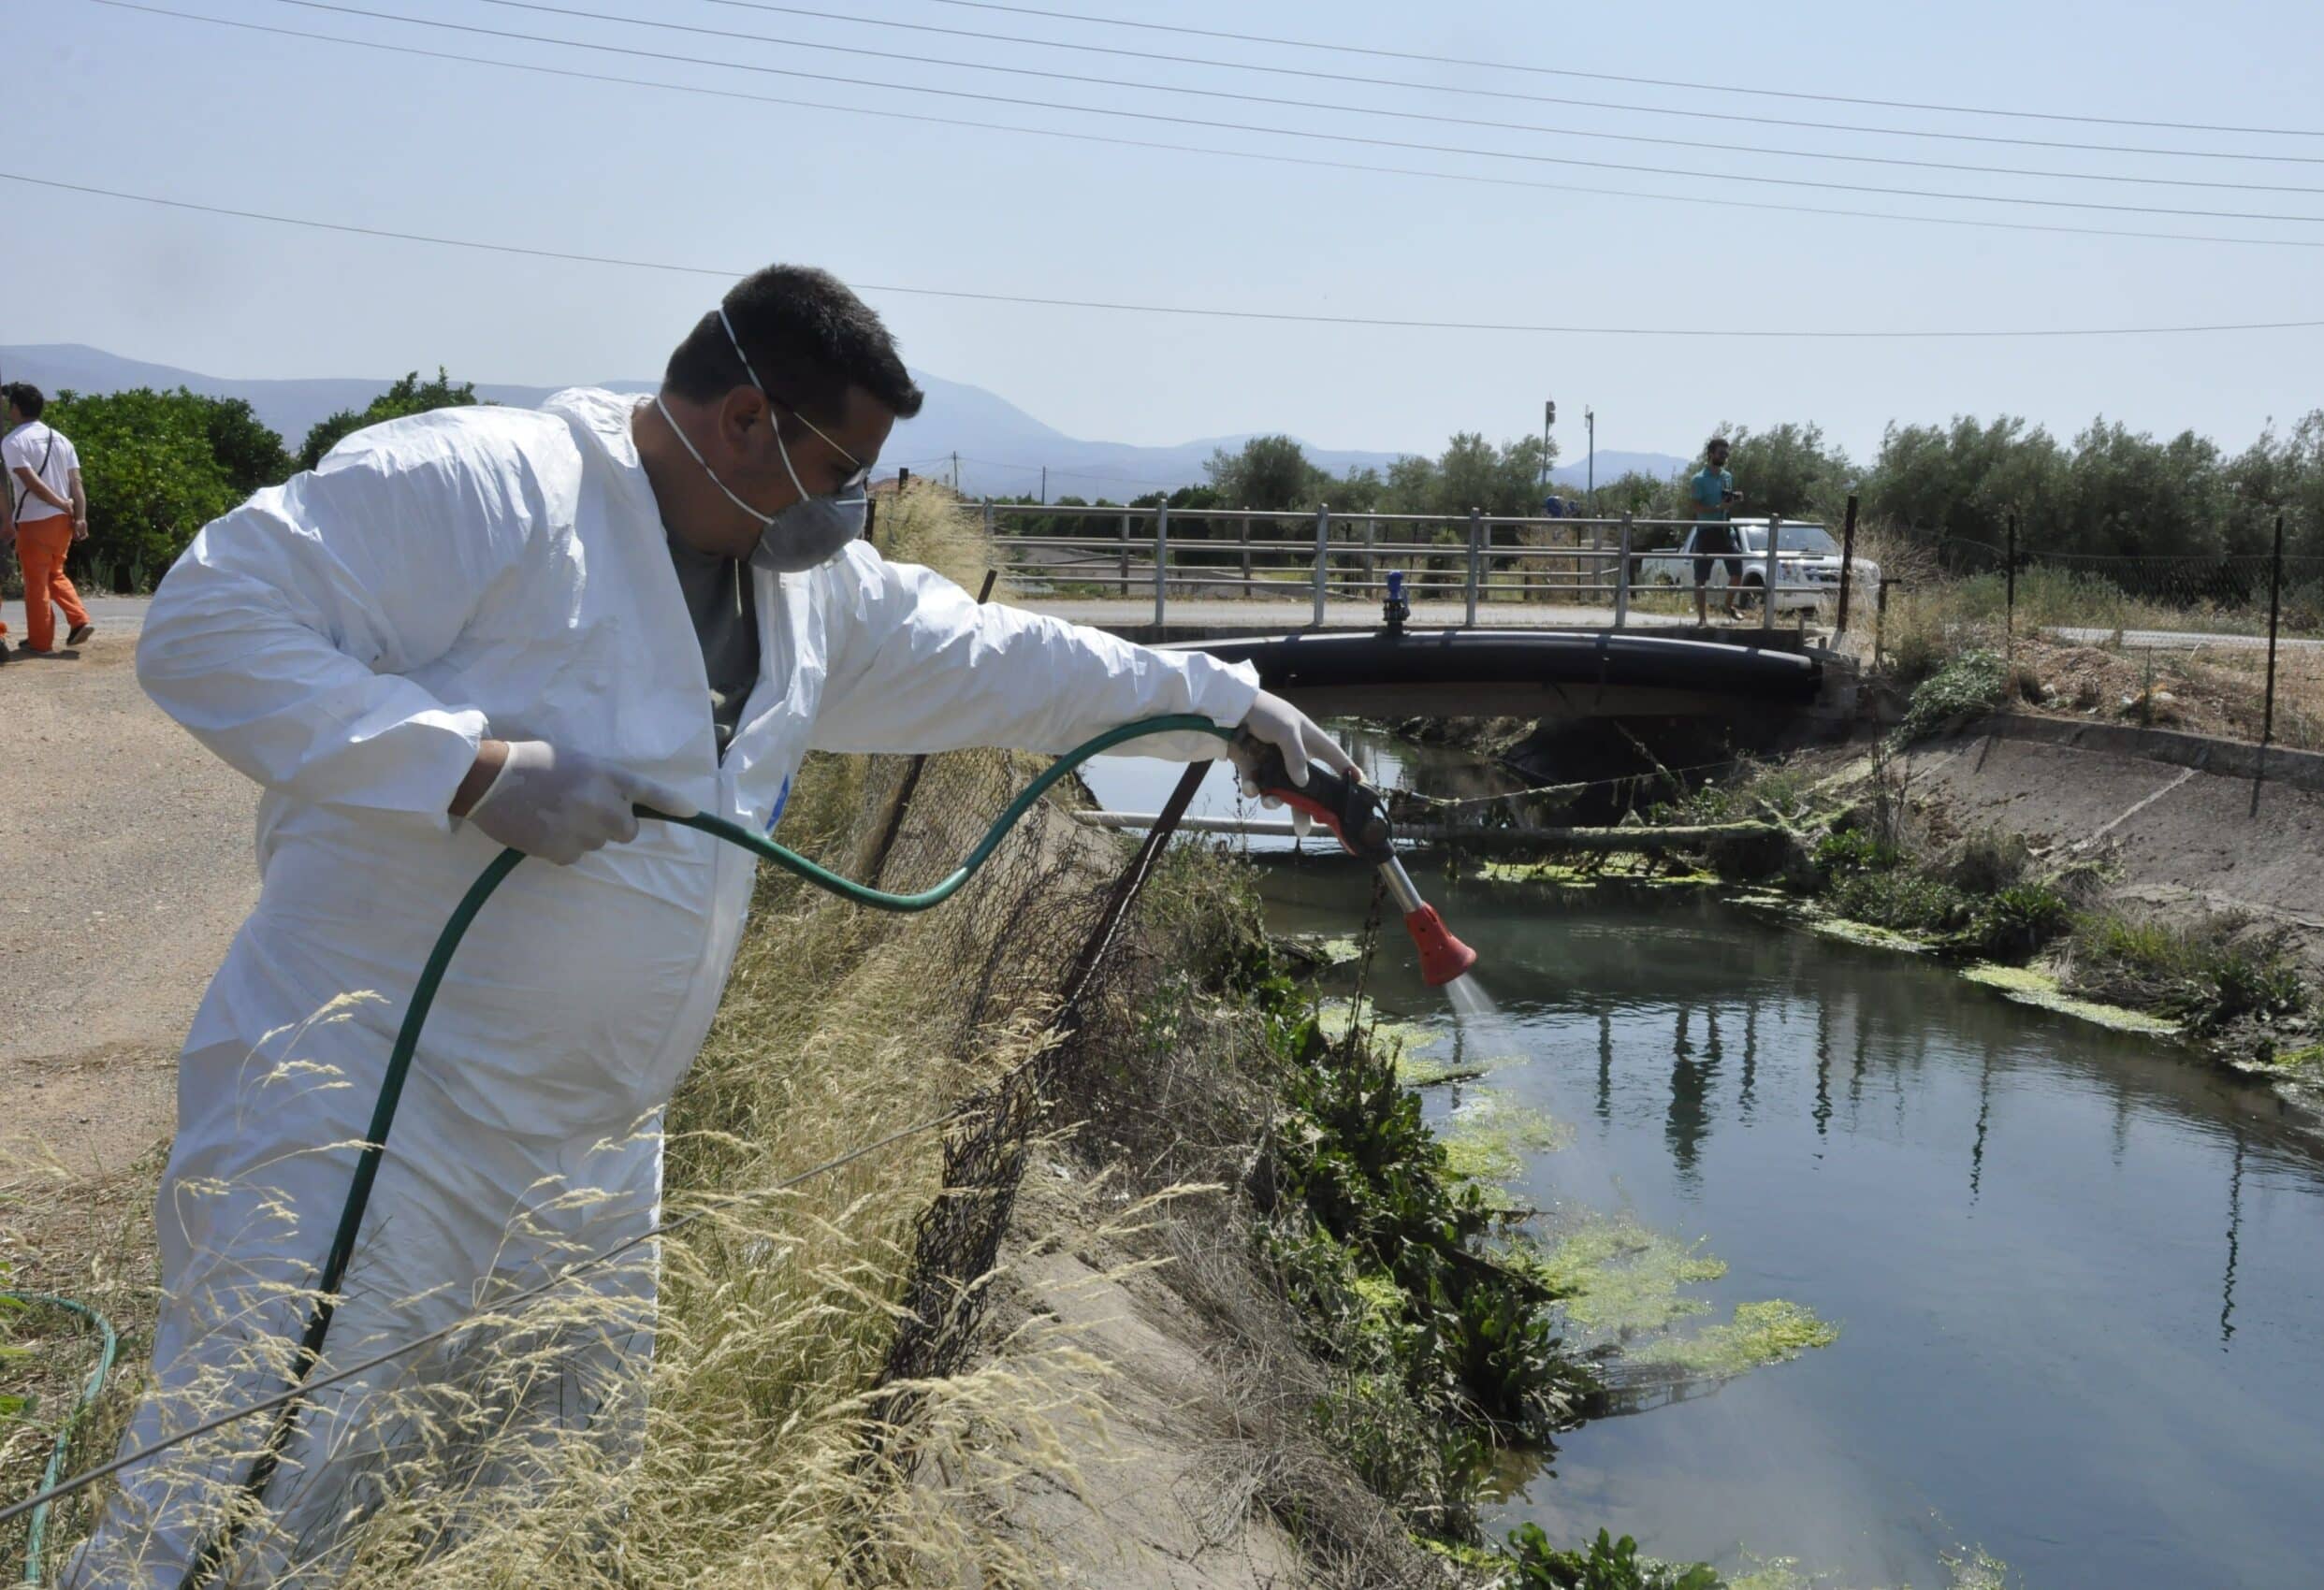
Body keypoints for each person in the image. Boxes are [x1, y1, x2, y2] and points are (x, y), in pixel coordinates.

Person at [70, 265, 1356, 1587]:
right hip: (376, 1125)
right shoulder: (489, 486)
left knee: (532, 1518)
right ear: (744, 420)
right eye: (841, 465)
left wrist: (1220, 705)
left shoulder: (800, 595)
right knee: (238, 1517)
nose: (855, 506)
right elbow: (208, 622)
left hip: (597, 1155)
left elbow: (1001, 663)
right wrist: (466, 766)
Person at [2, 383, 94, 657]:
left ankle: (40, 642)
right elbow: (76, 483)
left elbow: (31, 481)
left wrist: (58, 502)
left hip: (35, 520)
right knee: (54, 572)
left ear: (16, 408)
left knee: (35, 582)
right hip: (63, 522)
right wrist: (79, 516)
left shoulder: (12, 441)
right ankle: (79, 620)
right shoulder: (62, 439)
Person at [1685, 435, 1744, 627]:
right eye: (1721, 452)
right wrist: (1717, 508)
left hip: (1726, 531)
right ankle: (1702, 618)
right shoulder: (1698, 479)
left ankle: (1728, 606)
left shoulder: (1728, 476)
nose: (1724, 456)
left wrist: (1733, 500)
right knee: (1701, 576)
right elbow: (1696, 507)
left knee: (1737, 571)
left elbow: (1726, 503)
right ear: (1711, 454)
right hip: (1707, 531)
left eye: (1726, 453)